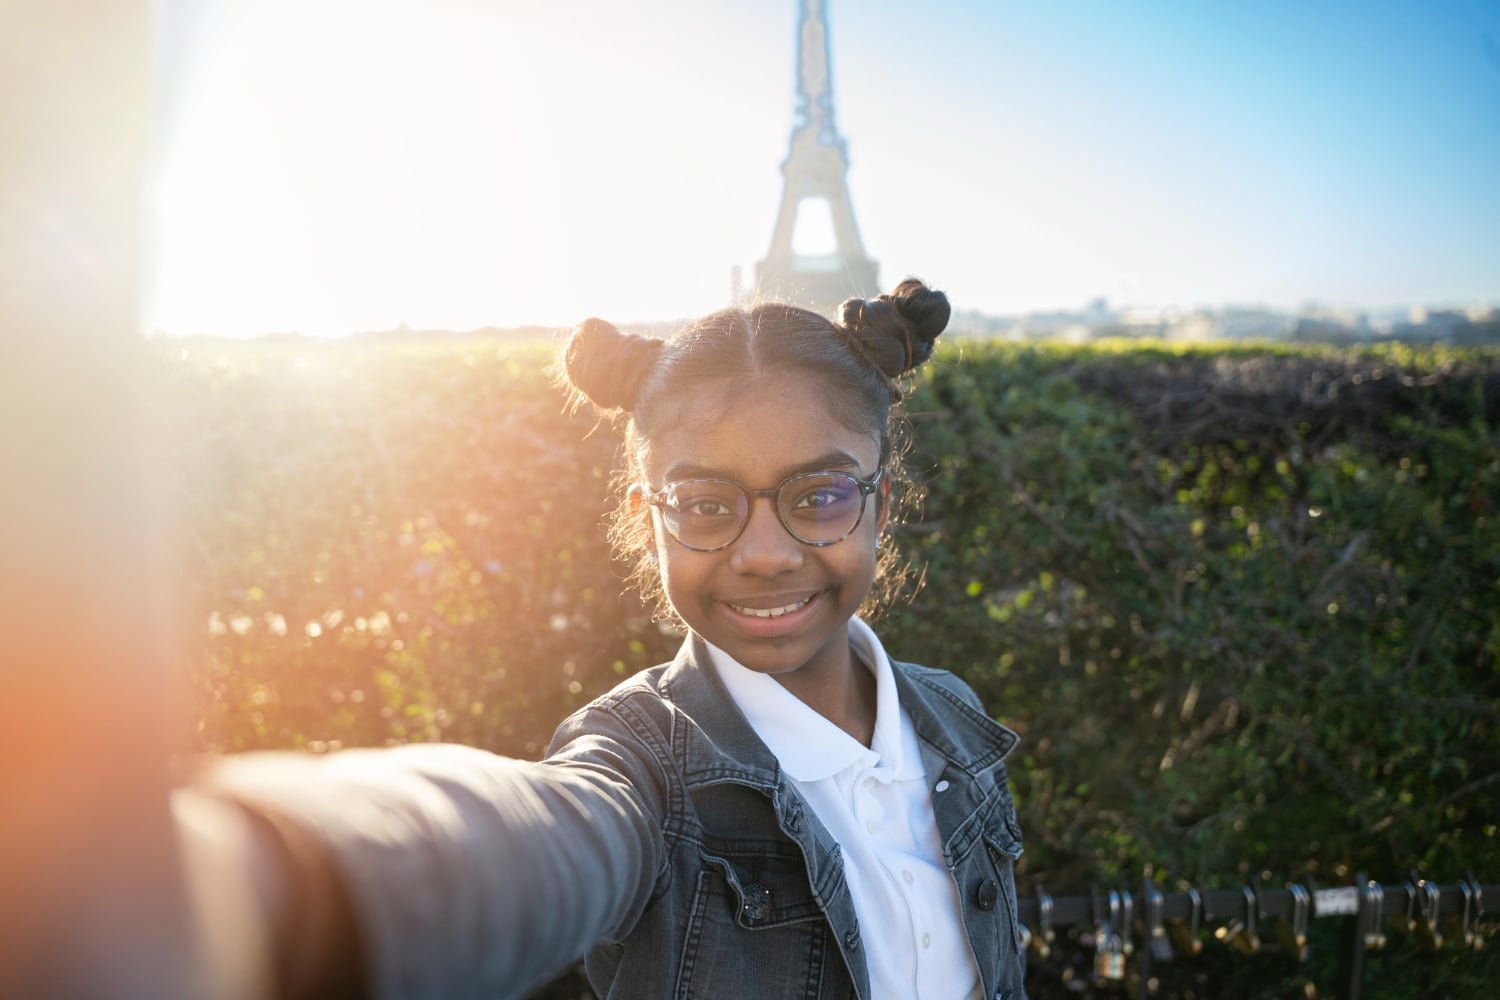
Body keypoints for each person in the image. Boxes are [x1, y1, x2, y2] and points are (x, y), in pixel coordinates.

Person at [182, 278, 1026, 1000]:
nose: (766, 554)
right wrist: (274, 876)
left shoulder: (949, 717)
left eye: (821, 495)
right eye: (704, 504)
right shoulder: (641, 764)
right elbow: (547, 835)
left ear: (881, 504)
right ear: (644, 521)